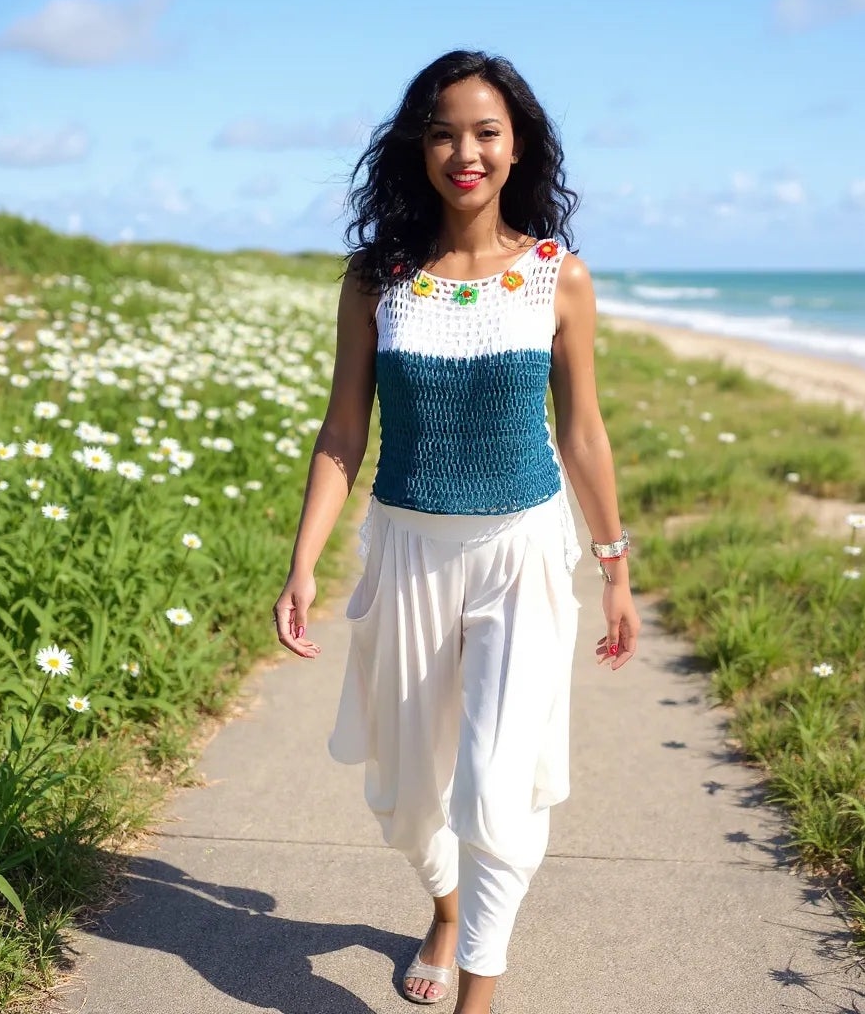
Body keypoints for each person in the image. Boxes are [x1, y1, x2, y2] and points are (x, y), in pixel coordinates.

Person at [273, 49, 641, 1014]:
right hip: (406, 550)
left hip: (520, 551)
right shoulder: (376, 279)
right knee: (404, 795)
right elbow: (344, 428)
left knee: (493, 786)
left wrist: (614, 565)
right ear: (418, 148)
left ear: (519, 148)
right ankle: (443, 906)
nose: (464, 151)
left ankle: (482, 984)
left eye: (486, 132)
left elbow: (584, 431)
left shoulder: (559, 278)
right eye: (443, 132)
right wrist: (303, 562)